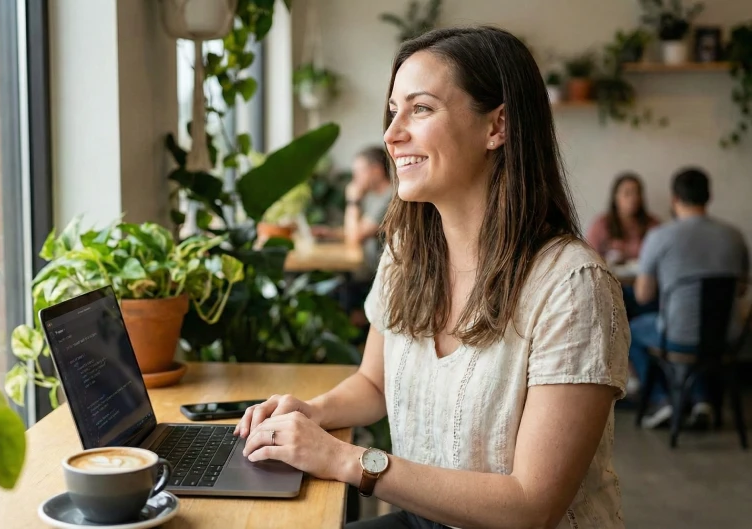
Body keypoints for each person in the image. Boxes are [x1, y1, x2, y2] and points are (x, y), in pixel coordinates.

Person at [234, 26, 628, 529]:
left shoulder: (573, 286)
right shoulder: (406, 253)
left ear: (497, 126)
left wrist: (342, 459)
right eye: (393, 111)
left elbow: (533, 505)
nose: (392, 134)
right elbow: (374, 383)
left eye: (420, 109)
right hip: (425, 519)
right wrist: (312, 413)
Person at [630, 167, 749, 429]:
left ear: (674, 199)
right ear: (709, 196)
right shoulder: (734, 236)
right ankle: (700, 400)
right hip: (727, 337)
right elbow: (741, 289)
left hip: (678, 336)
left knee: (631, 330)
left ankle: (665, 400)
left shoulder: (660, 237)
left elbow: (642, 295)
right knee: (701, 336)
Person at [313, 146, 394, 279]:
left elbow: (355, 237)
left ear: (376, 170)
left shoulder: (389, 198)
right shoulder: (374, 197)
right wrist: (330, 233)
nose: (355, 178)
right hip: (370, 271)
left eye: (359, 172)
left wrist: (352, 201)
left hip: (378, 277)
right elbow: (360, 229)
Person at [586, 172, 659, 264]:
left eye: (637, 193)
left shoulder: (652, 224)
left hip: (645, 277)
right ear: (615, 197)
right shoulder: (601, 224)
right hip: (610, 276)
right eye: (627, 193)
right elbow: (589, 257)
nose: (633, 198)